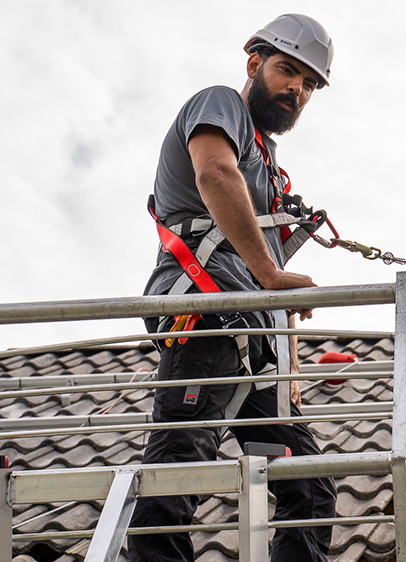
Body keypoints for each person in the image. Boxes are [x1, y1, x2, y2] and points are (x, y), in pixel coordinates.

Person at [129, 14, 337, 562]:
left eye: (309, 84)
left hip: (254, 350)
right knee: (182, 467)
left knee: (307, 485)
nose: (297, 89)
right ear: (255, 63)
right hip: (206, 322)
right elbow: (215, 175)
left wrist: (287, 365)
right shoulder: (221, 105)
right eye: (288, 71)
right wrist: (270, 277)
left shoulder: (268, 166)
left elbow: (268, 267)